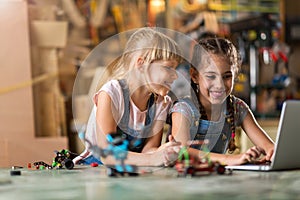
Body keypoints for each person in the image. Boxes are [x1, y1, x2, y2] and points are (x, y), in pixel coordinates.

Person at [73, 27, 182, 167]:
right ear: (141, 64)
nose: (176, 75)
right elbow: (107, 153)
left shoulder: (161, 103)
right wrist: (152, 159)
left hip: (130, 170)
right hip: (96, 168)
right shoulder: (111, 94)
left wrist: (164, 152)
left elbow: (149, 150)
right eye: (168, 68)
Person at [169, 37, 275, 166]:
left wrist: (272, 153)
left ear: (235, 75)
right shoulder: (183, 109)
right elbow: (181, 151)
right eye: (210, 76)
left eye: (226, 76)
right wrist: (231, 159)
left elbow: (269, 147)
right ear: (195, 76)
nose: (219, 85)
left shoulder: (237, 107)